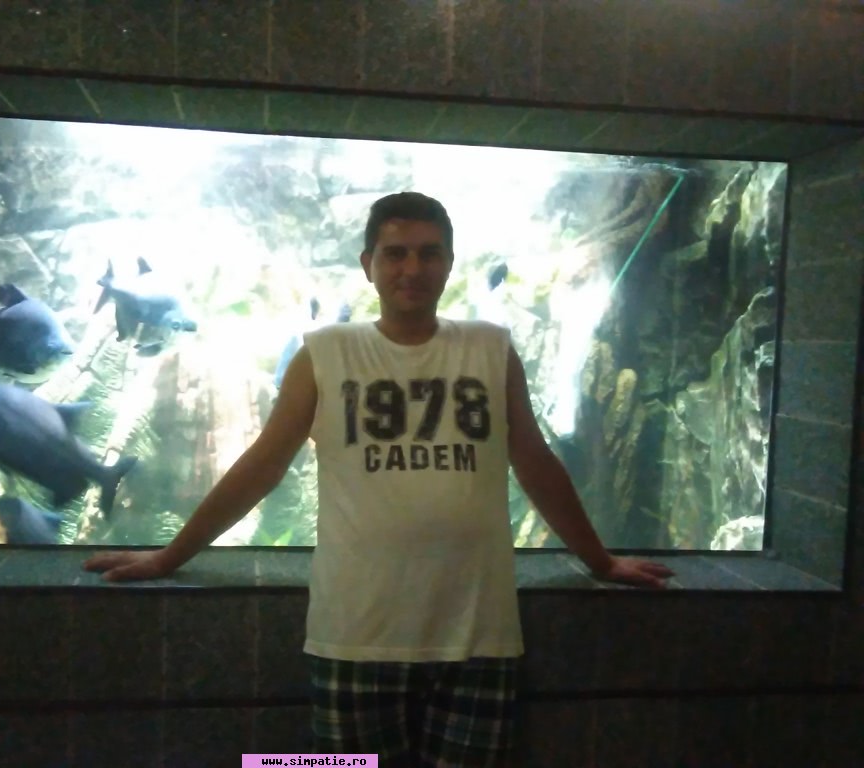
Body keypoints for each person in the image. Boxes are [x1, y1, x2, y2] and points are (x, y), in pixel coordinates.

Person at [83, 192, 675, 766]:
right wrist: (169, 557)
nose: (412, 268)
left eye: (428, 253)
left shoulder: (491, 349)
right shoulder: (325, 354)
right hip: (354, 636)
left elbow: (536, 462)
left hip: (478, 636)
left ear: (449, 263)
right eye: (395, 253)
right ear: (368, 265)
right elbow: (262, 465)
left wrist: (601, 562)